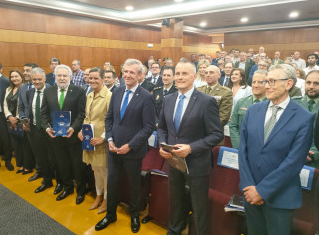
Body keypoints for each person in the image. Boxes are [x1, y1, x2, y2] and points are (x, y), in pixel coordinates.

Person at [239, 64, 314, 235]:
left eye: (272, 81)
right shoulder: (253, 110)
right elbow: (242, 152)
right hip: (250, 194)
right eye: (266, 81)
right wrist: (249, 187)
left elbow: (294, 162)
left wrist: (262, 191)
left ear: (288, 84)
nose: (267, 86)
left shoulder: (304, 118)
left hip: (280, 198)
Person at [157, 58, 223, 235]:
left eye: (184, 73)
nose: (179, 77)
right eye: (177, 73)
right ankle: (174, 230)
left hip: (197, 163)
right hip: (173, 161)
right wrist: (162, 145)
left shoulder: (206, 101)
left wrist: (191, 148)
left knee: (198, 206)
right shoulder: (168, 99)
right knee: (176, 200)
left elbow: (217, 135)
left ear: (194, 76)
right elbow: (162, 127)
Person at [95, 59, 156, 233]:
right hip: (113, 148)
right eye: (125, 72)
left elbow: (148, 127)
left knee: (133, 185)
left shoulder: (146, 97)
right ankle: (110, 215)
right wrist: (110, 139)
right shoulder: (118, 91)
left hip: (133, 151)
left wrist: (130, 145)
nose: (127, 75)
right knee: (112, 182)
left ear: (139, 75)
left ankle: (135, 215)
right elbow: (110, 119)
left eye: (132, 72)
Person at [41, 64, 87, 204]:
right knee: (62, 164)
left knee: (77, 165)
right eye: (59, 75)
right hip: (55, 136)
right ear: (54, 77)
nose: (62, 78)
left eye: (64, 75)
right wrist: (47, 128)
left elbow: (81, 114)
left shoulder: (78, 91)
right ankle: (67, 188)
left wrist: (74, 127)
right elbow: (43, 113)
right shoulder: (48, 91)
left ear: (70, 77)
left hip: (72, 136)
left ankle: (80, 191)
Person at [78, 67, 112, 214]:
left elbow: (111, 121)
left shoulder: (109, 96)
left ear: (103, 79)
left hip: (101, 141)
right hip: (89, 139)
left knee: (105, 171)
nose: (92, 81)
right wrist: (81, 130)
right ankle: (98, 196)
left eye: (95, 78)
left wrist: (103, 138)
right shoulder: (90, 95)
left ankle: (106, 200)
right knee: (95, 170)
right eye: (90, 78)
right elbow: (87, 116)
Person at [26, 67, 63, 194]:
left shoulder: (52, 91)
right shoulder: (30, 92)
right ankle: (47, 181)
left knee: (54, 158)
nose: (37, 82)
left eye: (39, 79)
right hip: (36, 130)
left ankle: (59, 182)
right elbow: (30, 110)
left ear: (45, 79)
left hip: (50, 130)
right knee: (41, 157)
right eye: (34, 79)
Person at [229, 70, 267, 149]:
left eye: (260, 82)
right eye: (254, 82)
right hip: (240, 148)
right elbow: (233, 126)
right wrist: (239, 146)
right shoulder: (241, 102)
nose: (256, 85)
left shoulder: (272, 104)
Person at [3, 69, 31, 174]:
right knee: (16, 144)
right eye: (12, 77)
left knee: (25, 144)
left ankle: (27, 166)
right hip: (10, 121)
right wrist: (9, 116)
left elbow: (25, 106)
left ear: (21, 77)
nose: (14, 78)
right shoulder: (9, 89)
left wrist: (18, 118)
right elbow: (5, 105)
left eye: (16, 76)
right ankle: (20, 165)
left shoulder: (25, 88)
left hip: (22, 120)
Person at [18, 63, 41, 181]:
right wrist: (23, 120)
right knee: (34, 149)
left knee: (44, 150)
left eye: (28, 70)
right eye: (24, 70)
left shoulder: (45, 86)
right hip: (28, 125)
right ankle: (38, 170)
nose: (25, 73)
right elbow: (21, 107)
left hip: (41, 125)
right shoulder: (22, 88)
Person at [293, 70, 319, 168]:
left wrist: (313, 154)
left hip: (316, 162)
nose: (311, 86)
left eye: (316, 83)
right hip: (292, 158)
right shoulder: (293, 103)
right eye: (308, 82)